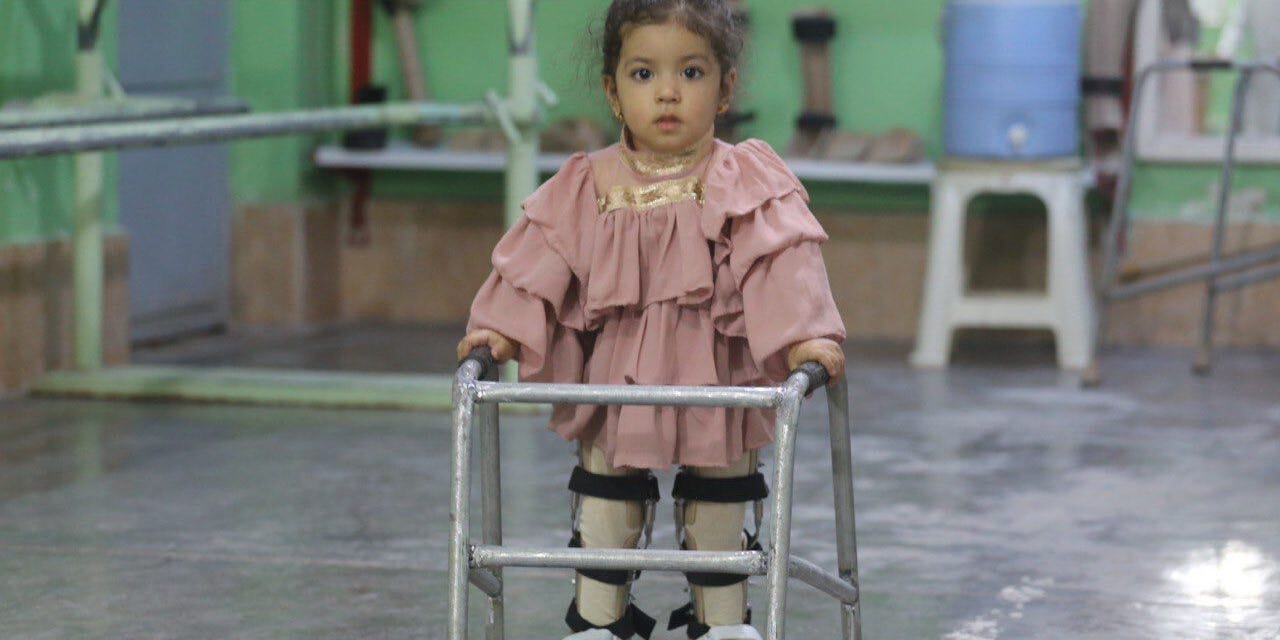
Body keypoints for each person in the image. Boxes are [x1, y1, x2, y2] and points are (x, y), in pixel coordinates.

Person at [456, 1, 845, 638]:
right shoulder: (589, 184)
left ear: (726, 89)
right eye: (643, 75)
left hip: (715, 373)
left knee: (720, 496)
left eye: (691, 73)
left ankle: (722, 621)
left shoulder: (743, 175)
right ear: (612, 91)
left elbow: (783, 262)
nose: (667, 92)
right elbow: (538, 257)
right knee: (608, 492)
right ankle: (597, 619)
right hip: (621, 375)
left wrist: (806, 333)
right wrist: (500, 325)